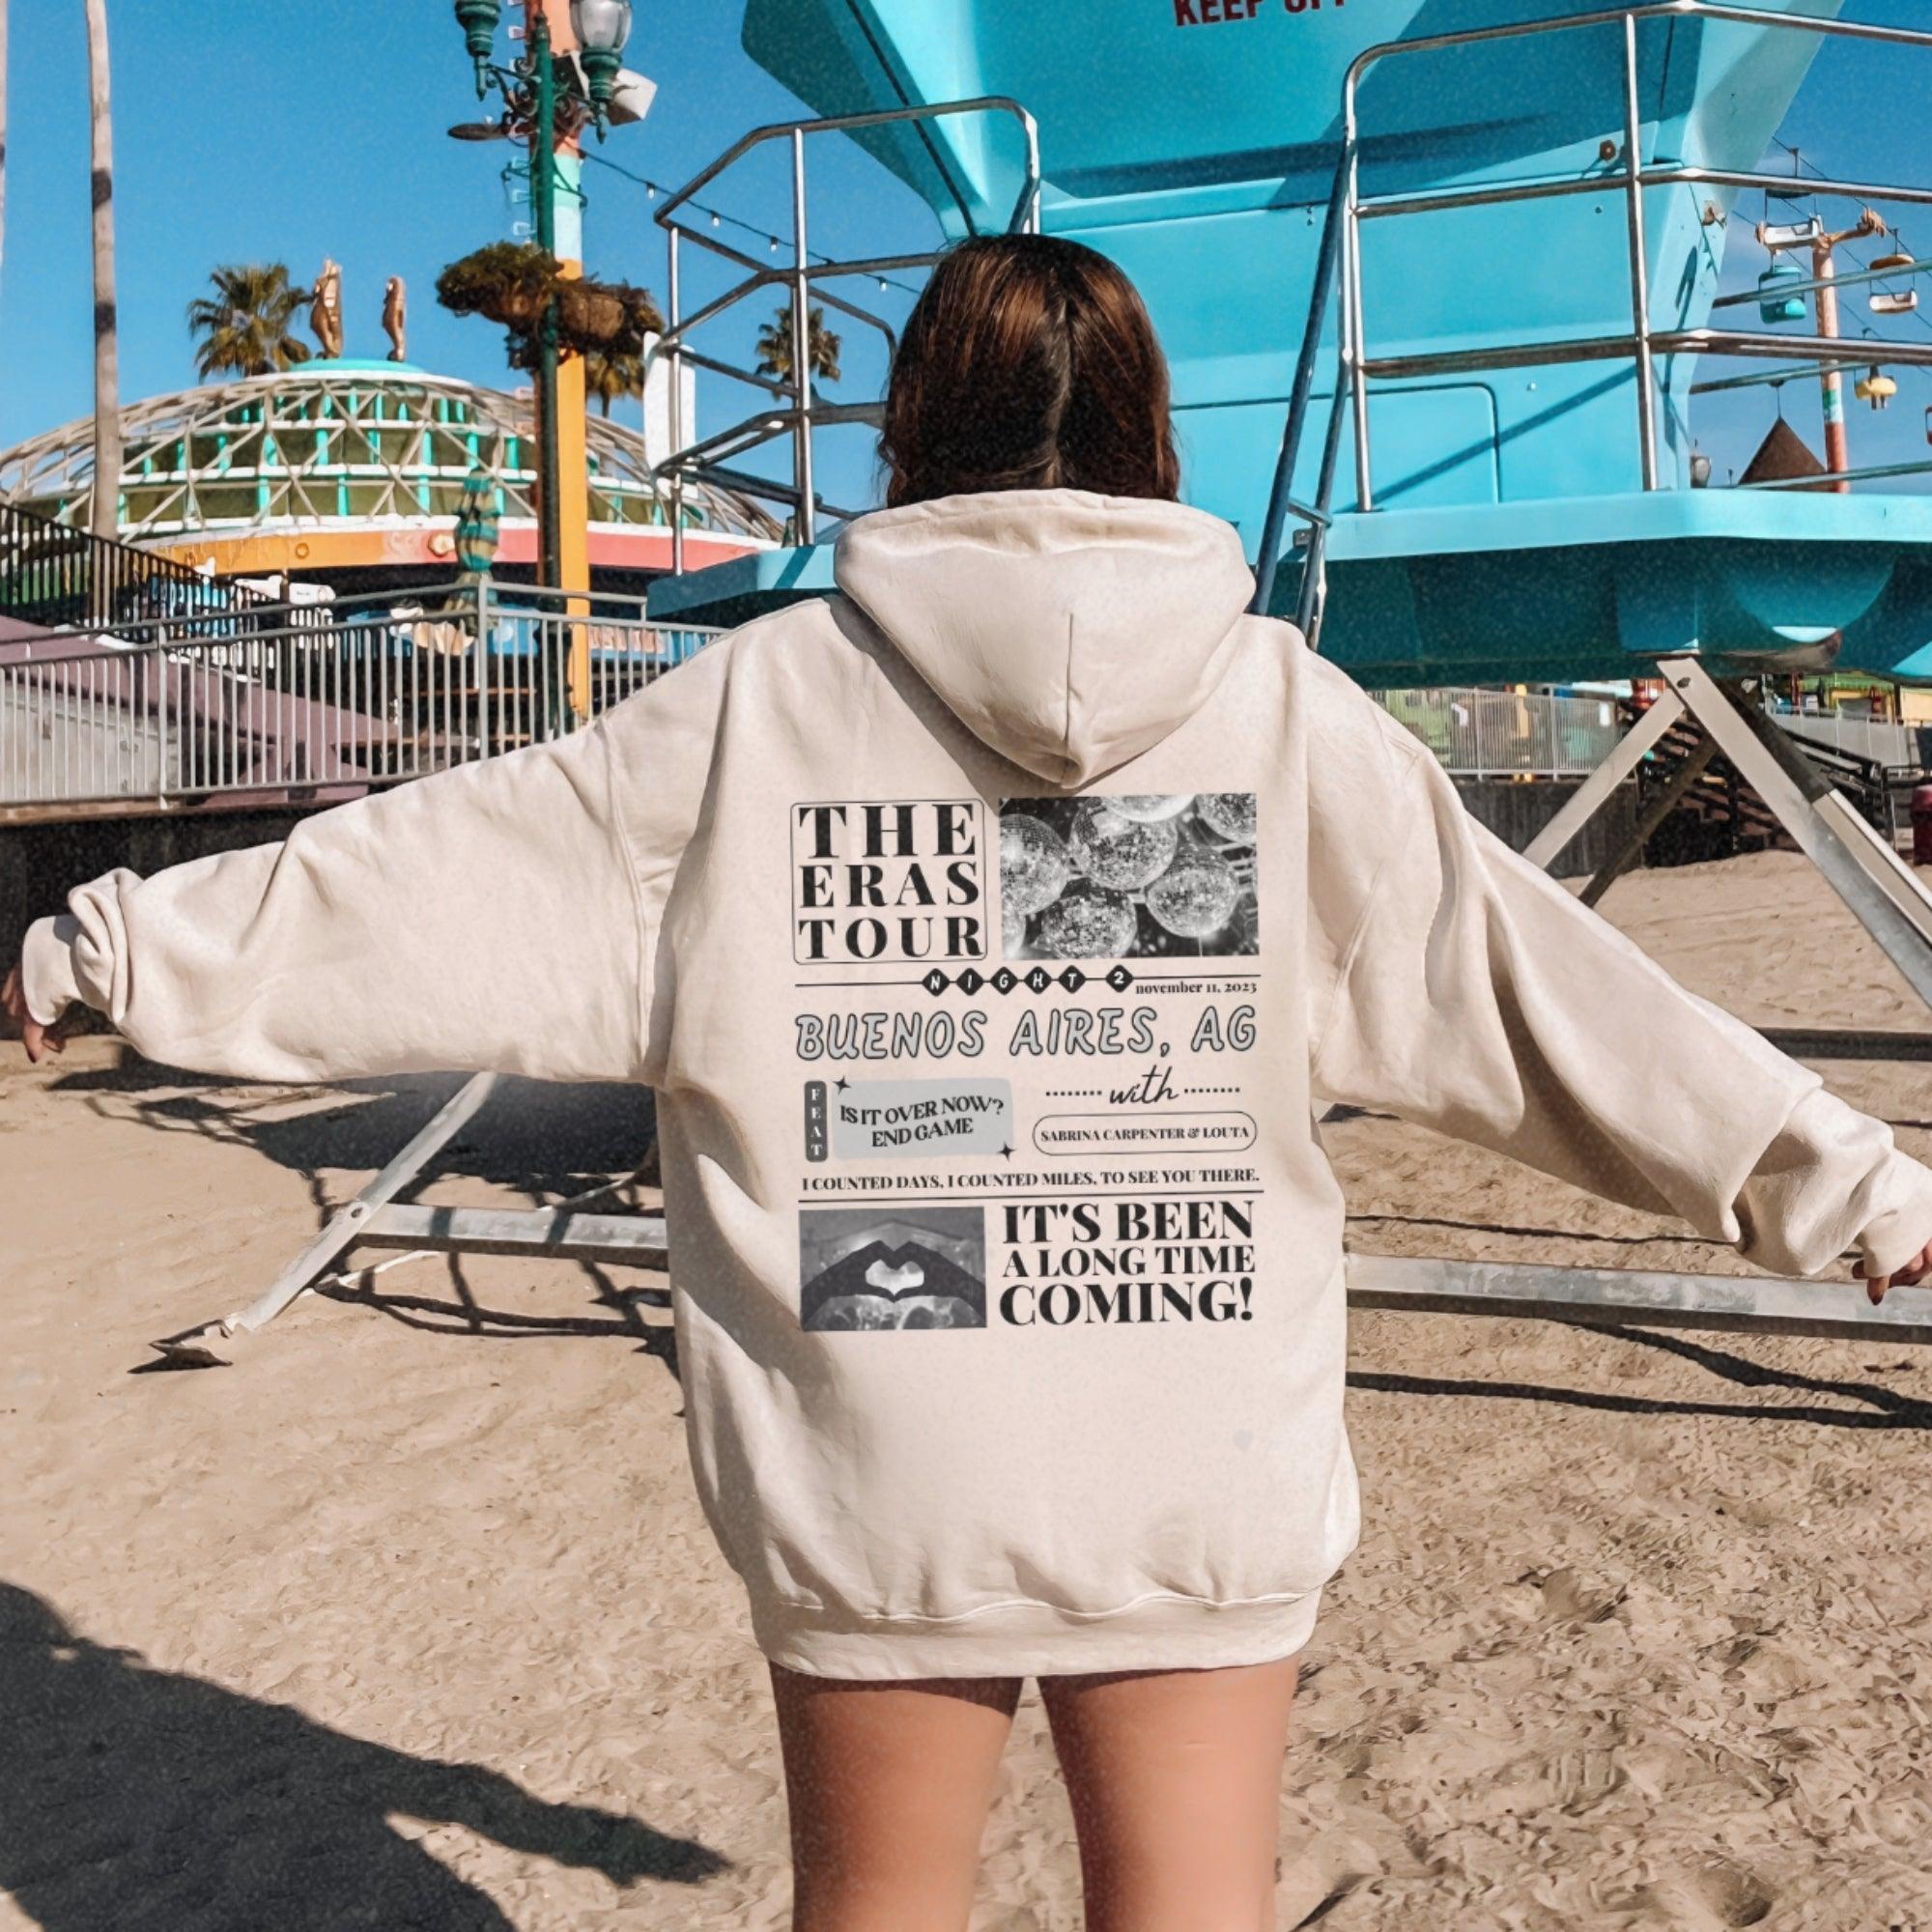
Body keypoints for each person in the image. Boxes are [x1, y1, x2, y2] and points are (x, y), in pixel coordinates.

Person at [7, 234, 1931, 1932]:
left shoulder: (754, 712)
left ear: (904, 438)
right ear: (1154, 443)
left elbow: (422, 883)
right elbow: (1545, 999)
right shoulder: (1282, 715)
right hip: (1195, 1428)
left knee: (884, 1906)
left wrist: (109, 952)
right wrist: (1844, 1181)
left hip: (879, 1451)